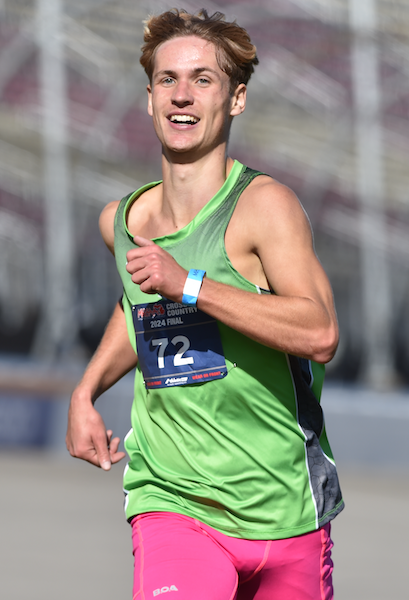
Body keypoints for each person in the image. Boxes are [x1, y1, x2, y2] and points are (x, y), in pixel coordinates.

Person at [66, 8, 344, 600]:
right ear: (148, 98)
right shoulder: (123, 221)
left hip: (287, 507)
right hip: (175, 498)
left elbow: (320, 332)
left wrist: (190, 284)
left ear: (236, 100)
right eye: (167, 80)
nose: (181, 96)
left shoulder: (266, 208)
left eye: (202, 79)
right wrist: (86, 391)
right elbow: (135, 306)